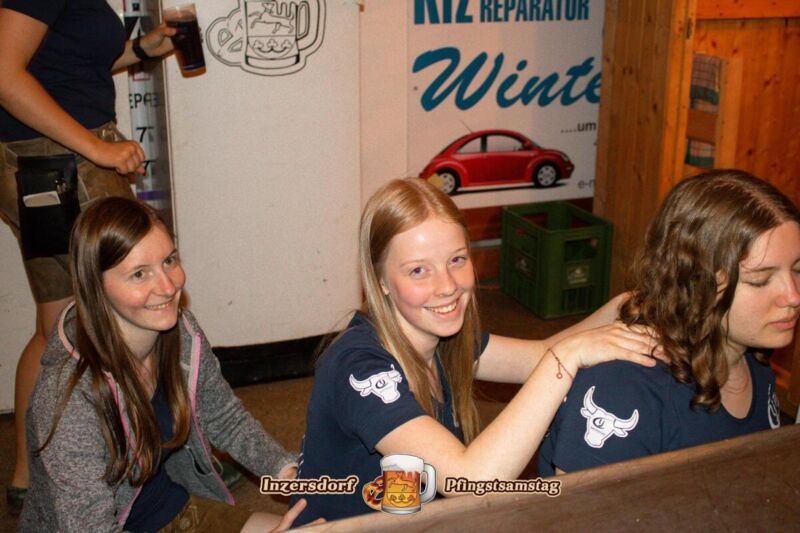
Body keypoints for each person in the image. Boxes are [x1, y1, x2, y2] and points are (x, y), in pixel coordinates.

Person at [291, 177, 662, 524]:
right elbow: (471, 480)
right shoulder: (359, 367)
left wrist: (625, 305)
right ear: (381, 281)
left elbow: (540, 352)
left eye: (457, 259)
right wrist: (566, 358)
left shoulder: (442, 338)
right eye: (418, 270)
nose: (447, 286)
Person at [19, 197, 309, 532]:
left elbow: (224, 418)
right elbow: (87, 525)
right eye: (139, 274)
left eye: (169, 260)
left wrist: (284, 471)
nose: (169, 287)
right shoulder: (68, 394)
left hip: (166, 510)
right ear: (95, 286)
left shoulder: (182, 334)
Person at [0, 0, 176, 510]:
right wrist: (96, 149)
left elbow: (64, 60)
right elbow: (5, 74)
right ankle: (154, 454)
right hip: (65, 164)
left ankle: (30, 474)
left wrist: (142, 49)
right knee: (129, 312)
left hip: (49, 162)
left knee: (58, 323)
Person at [538, 170, 799, 476]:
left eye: (798, 269)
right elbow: (579, 506)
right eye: (760, 280)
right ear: (698, 283)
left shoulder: (755, 358)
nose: (793, 296)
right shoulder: (625, 388)